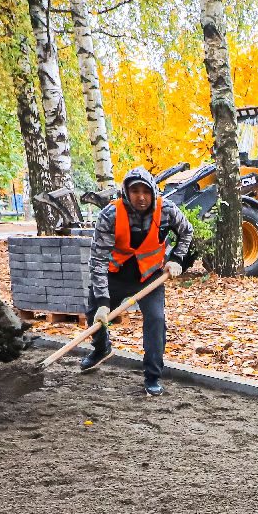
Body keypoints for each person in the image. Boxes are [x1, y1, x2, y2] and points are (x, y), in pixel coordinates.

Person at [84, 166, 195, 396]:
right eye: (135, 191)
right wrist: (103, 301)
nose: (141, 197)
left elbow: (186, 231)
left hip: (150, 277)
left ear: (153, 191)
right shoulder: (110, 215)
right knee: (95, 312)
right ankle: (101, 349)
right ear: (126, 192)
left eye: (145, 191)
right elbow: (98, 260)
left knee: (156, 320)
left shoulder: (167, 210)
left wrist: (176, 259)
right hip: (116, 275)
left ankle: (152, 376)